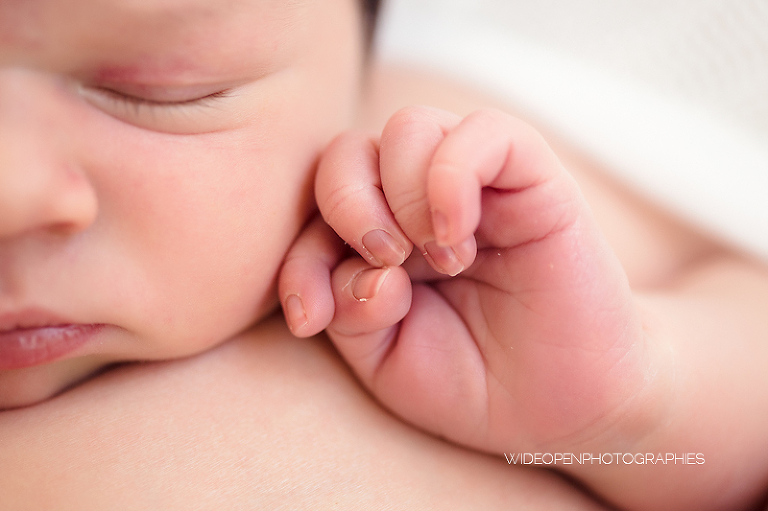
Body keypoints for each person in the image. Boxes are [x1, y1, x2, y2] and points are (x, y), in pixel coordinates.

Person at [0, 0, 608, 509]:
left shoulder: (510, 209)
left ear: (365, 63)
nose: (13, 197)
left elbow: (697, 445)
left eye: (157, 90)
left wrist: (623, 422)